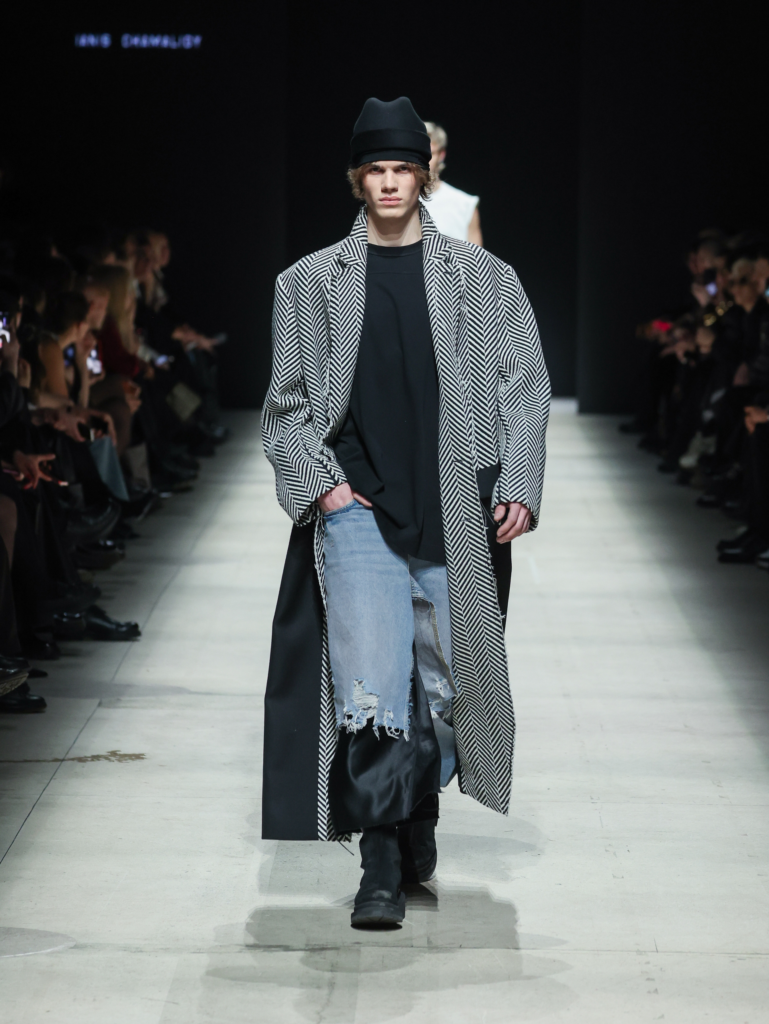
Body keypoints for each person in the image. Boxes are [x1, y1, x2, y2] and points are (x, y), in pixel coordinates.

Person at [261, 97, 550, 929]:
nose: (389, 183)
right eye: (376, 170)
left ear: (424, 176)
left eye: (402, 169)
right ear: (357, 180)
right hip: (357, 507)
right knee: (372, 683)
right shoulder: (308, 282)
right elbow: (285, 406)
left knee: (450, 681)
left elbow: (524, 385)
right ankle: (379, 862)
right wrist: (321, 484)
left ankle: (417, 808)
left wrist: (519, 481)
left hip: (457, 504)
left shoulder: (485, 279)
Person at [423, 121, 483, 245]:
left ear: (441, 155)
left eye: (430, 153)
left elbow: (476, 255)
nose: (424, 160)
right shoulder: (396, 200)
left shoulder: (465, 205)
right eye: (419, 153)